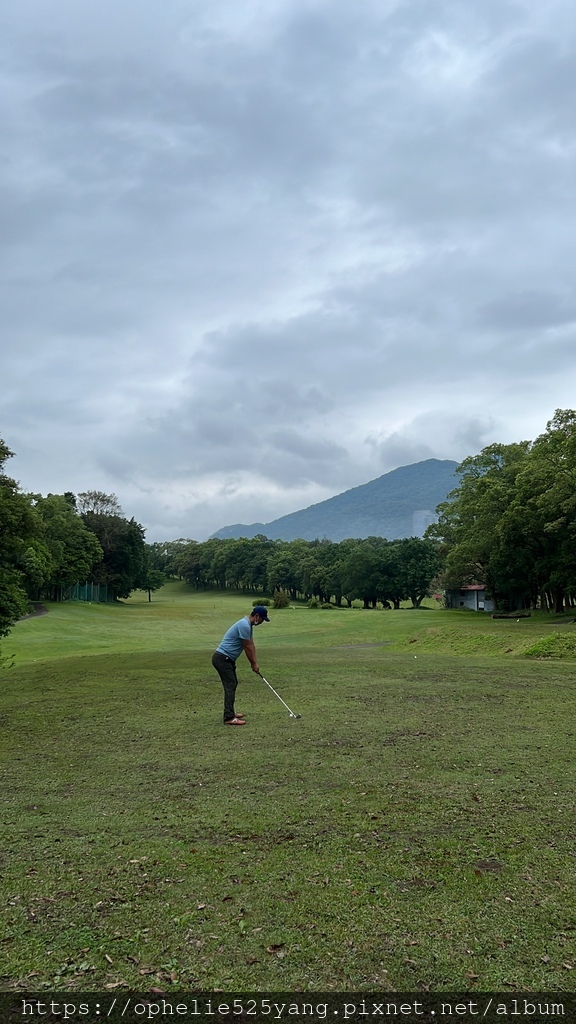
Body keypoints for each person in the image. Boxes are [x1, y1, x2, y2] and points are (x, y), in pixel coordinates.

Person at [212, 606, 270, 725]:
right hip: (222, 658)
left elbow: (251, 645)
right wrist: (253, 664)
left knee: (232, 684)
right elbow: (247, 647)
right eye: (262, 619)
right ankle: (229, 717)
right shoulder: (244, 625)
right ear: (257, 616)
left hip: (226, 659)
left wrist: (255, 663)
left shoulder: (247, 625)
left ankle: (230, 712)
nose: (262, 622)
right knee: (231, 684)